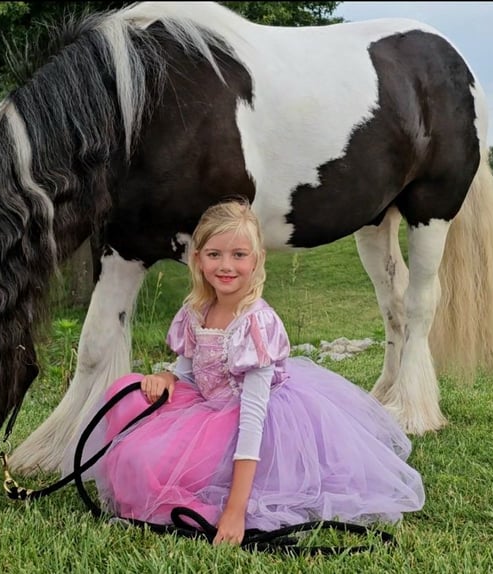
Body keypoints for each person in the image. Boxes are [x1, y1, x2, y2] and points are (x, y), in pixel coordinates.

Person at [62, 199, 425, 545]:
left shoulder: (255, 324)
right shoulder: (196, 311)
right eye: (214, 254)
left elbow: (252, 420)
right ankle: (152, 475)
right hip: (206, 405)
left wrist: (235, 512)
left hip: (252, 422)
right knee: (125, 392)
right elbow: (188, 372)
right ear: (198, 259)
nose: (226, 266)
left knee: (143, 462)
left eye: (239, 255)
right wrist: (170, 378)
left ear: (257, 260)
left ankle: (209, 502)